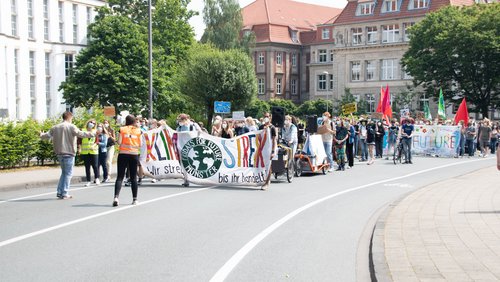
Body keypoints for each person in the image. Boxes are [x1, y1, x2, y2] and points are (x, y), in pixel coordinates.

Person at [40, 111, 95, 199]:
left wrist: (41, 134)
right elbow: (81, 134)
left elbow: (46, 135)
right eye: (72, 118)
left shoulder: (55, 127)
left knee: (64, 173)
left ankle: (59, 191)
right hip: (69, 153)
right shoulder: (71, 126)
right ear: (70, 117)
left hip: (59, 153)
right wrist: (94, 133)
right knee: (68, 174)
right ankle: (65, 192)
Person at [113, 115, 142, 207]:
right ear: (134, 121)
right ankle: (135, 199)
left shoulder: (122, 129)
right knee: (133, 177)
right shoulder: (138, 131)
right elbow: (140, 144)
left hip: (122, 154)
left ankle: (116, 197)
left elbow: (119, 142)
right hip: (134, 155)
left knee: (120, 177)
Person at [176, 114, 199, 187]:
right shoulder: (179, 127)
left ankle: (195, 177)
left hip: (192, 147)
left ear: (185, 119)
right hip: (182, 147)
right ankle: (186, 179)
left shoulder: (193, 125)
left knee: (193, 162)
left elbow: (200, 132)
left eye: (180, 120)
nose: (179, 122)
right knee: (184, 163)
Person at [259, 112, 278, 190]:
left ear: (270, 117)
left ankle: (267, 183)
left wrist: (273, 151)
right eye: (265, 116)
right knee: (262, 165)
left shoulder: (272, 128)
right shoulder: (261, 127)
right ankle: (264, 179)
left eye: (267, 116)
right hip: (262, 148)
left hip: (269, 149)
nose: (266, 118)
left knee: (268, 165)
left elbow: (274, 140)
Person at [78, 119, 100, 186]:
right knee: (87, 167)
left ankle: (97, 178)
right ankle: (88, 181)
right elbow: (79, 141)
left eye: (93, 123)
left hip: (93, 151)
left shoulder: (95, 131)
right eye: (91, 122)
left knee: (95, 166)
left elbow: (97, 141)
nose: (92, 124)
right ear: (88, 123)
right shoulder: (83, 130)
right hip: (85, 151)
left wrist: (94, 145)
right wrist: (79, 148)